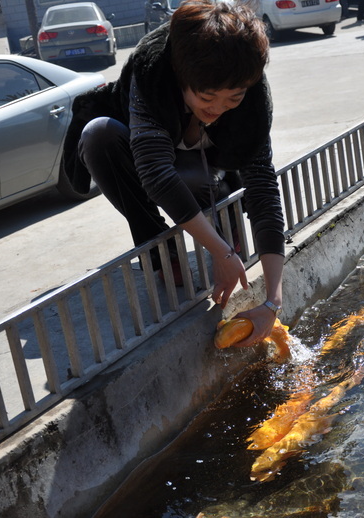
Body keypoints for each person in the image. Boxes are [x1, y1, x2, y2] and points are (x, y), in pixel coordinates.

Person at [64, 0, 285, 349]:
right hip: (153, 163)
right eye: (207, 97)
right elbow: (155, 173)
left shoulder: (252, 95)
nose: (217, 109)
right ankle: (163, 251)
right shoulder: (152, 72)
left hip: (210, 172)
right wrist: (222, 255)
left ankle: (224, 226)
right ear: (182, 78)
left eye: (233, 99)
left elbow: (263, 189)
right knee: (96, 135)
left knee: (199, 180)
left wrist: (273, 300)